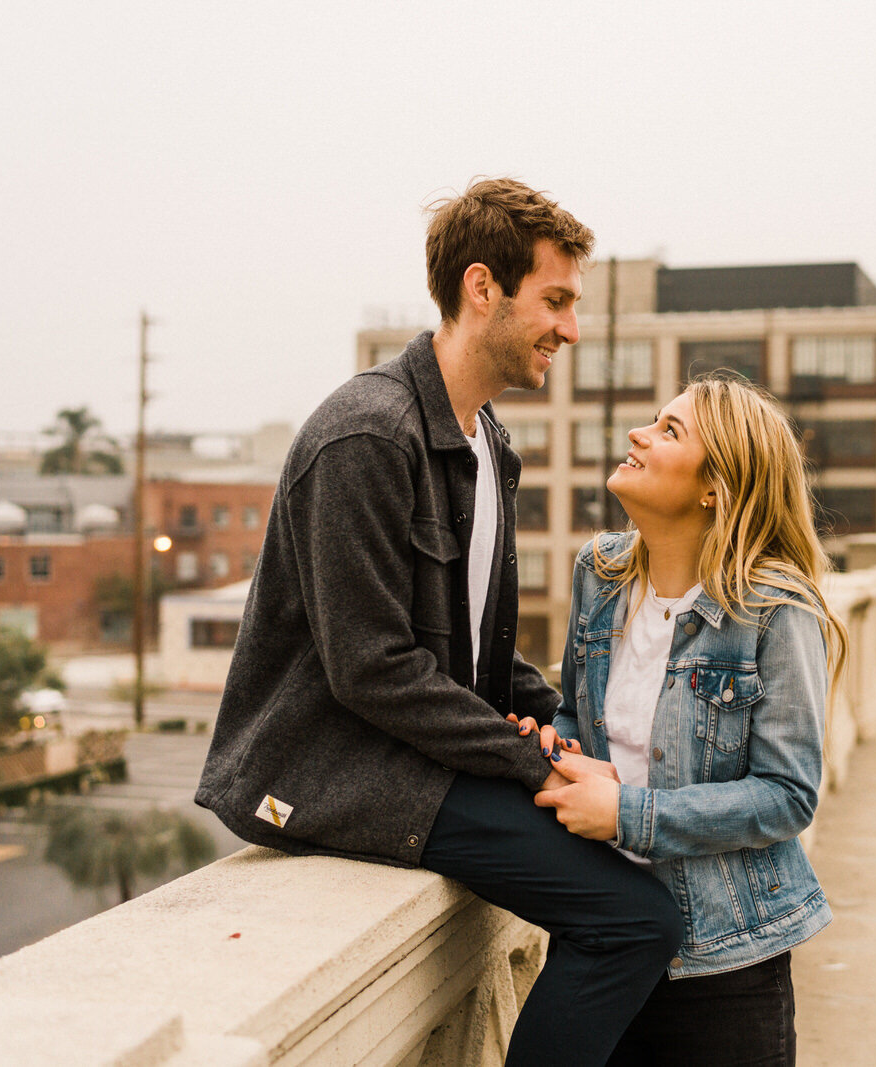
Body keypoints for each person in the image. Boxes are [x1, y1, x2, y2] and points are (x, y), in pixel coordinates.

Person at [195, 177, 682, 1067]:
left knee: (644, 865)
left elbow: (480, 651)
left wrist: (572, 723)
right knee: (633, 918)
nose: (570, 329)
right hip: (344, 772)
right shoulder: (368, 435)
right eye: (557, 300)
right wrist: (532, 753)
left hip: (423, 758)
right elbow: (372, 667)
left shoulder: (489, 444)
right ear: (481, 287)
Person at [516, 376, 847, 1065]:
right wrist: (564, 745)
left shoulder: (775, 608)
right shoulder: (599, 575)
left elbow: (787, 794)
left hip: (725, 965)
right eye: (652, 420)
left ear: (714, 488)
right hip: (603, 941)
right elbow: (579, 708)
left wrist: (626, 813)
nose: (638, 434)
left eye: (670, 431)